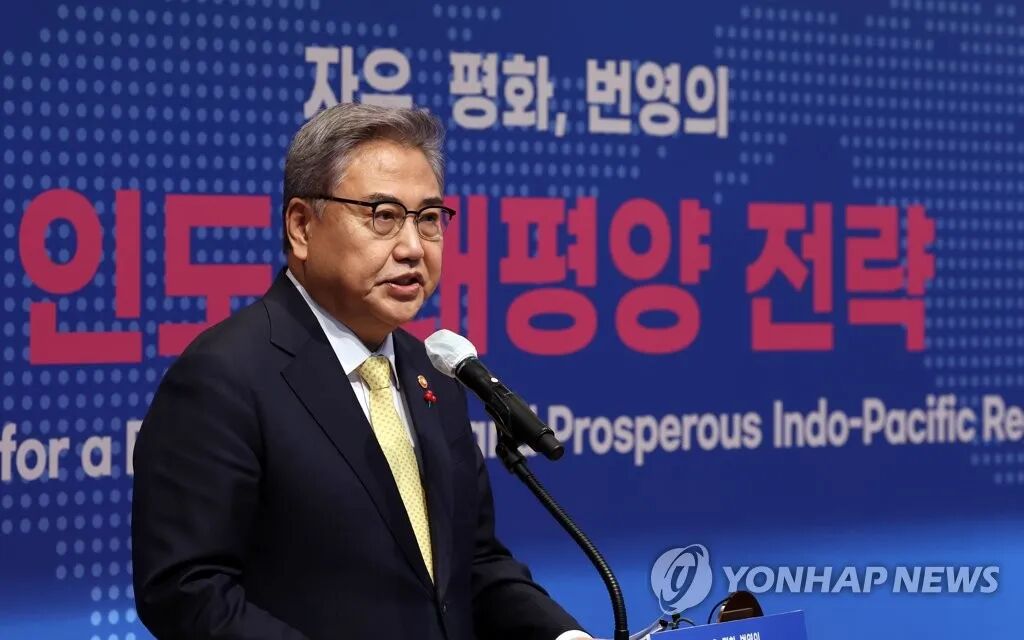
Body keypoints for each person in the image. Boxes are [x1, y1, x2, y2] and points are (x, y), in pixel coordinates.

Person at [131, 103, 589, 640]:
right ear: (302, 226)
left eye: (428, 218)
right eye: (383, 215)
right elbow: (188, 591)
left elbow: (472, 565)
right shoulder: (224, 376)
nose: (413, 247)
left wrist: (565, 637)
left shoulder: (434, 374)